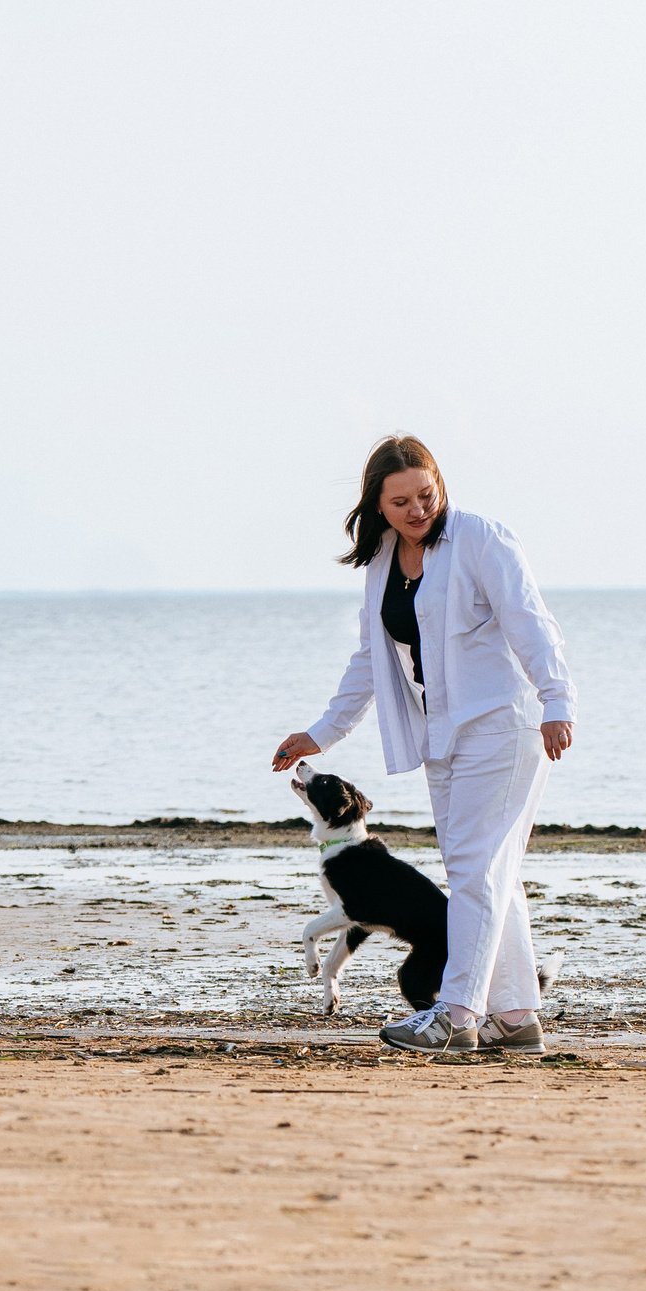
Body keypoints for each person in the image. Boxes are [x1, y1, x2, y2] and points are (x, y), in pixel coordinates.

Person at [271, 434, 576, 1053]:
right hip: (444, 738)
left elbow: (531, 624)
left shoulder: (482, 539)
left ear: (441, 486)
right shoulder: (383, 560)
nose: (417, 510)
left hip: (504, 729)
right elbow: (370, 658)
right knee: (494, 875)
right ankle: (516, 1017)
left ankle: (457, 1012)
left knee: (472, 873)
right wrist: (323, 733)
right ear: (378, 507)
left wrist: (557, 699)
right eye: (401, 501)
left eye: (426, 495)